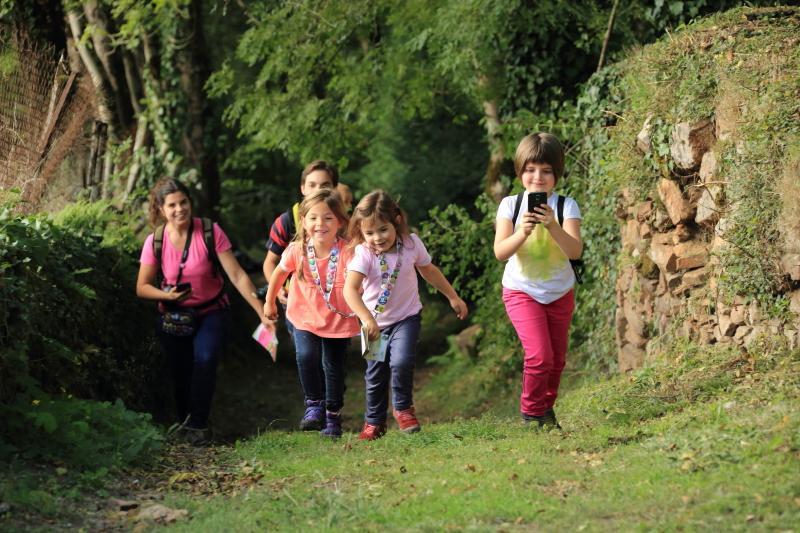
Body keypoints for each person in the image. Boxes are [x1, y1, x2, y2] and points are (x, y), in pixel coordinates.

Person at [136, 178, 269, 445]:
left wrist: (261, 310)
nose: (179, 209)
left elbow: (237, 274)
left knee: (205, 359)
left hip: (211, 312)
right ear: (162, 209)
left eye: (183, 202)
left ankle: (198, 425)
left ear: (190, 202)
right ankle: (186, 420)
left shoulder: (210, 231)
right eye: (172, 205)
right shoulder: (155, 241)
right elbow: (142, 287)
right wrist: (167, 295)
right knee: (180, 371)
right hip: (174, 315)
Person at [343, 190, 468, 440]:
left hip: (406, 319)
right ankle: (374, 423)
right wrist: (367, 320)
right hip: (374, 324)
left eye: (383, 230)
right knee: (375, 373)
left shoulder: (411, 244)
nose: (377, 238)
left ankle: (403, 409)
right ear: (361, 231)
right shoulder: (364, 254)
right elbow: (350, 290)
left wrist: (453, 296)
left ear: (396, 220)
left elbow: (429, 271)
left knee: (400, 362)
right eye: (369, 233)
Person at [493, 132, 582, 429]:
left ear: (556, 174)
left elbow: (575, 251)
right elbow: (500, 252)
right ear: (520, 172)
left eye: (546, 171)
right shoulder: (510, 205)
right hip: (521, 291)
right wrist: (523, 232)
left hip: (559, 292)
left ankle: (545, 410)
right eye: (530, 170)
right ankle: (531, 413)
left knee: (556, 361)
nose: (538, 177)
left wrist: (552, 226)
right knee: (539, 356)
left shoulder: (566, 206)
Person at [264, 189, 359, 437]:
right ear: (303, 222)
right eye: (313, 218)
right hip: (303, 317)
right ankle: (314, 405)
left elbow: (364, 280)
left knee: (334, 368)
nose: (320, 224)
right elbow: (278, 274)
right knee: (306, 355)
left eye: (328, 218)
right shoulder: (297, 250)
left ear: (340, 221)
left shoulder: (350, 251)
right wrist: (270, 302)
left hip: (338, 321)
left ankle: (333, 417)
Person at [262, 160, 339, 327]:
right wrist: (278, 291)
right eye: (312, 185)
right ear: (303, 188)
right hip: (297, 302)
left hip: (335, 306)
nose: (318, 190)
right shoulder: (287, 221)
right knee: (306, 353)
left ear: (334, 189)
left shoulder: (343, 221)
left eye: (325, 185)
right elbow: (270, 262)